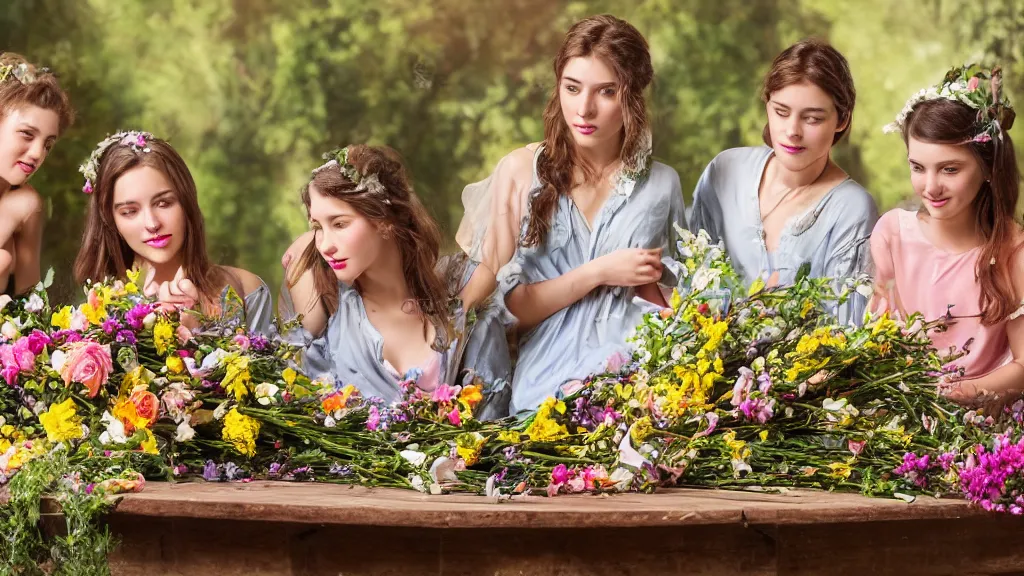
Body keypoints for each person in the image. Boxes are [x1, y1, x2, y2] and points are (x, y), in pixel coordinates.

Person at [456, 15, 687, 413]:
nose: (584, 108)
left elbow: (675, 299)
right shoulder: (521, 171)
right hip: (546, 388)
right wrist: (599, 272)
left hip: (641, 384)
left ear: (631, 96)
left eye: (606, 91)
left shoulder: (662, 184)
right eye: (572, 88)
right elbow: (513, 309)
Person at [283, 145, 512, 417]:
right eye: (318, 227)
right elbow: (297, 387)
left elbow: (482, 276)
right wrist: (310, 238)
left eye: (340, 224)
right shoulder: (330, 311)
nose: (326, 246)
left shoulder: (454, 290)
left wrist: (457, 315)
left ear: (384, 221)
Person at [689, 39, 877, 323]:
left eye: (812, 118)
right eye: (781, 111)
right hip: (699, 361)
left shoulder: (852, 208)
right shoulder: (725, 171)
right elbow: (690, 284)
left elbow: (846, 330)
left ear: (842, 119)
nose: (792, 131)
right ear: (767, 104)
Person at [870, 64, 1023, 405]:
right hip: (902, 414)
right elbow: (875, 339)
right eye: (918, 168)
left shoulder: (1013, 250)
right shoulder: (893, 234)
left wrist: (960, 393)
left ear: (987, 168)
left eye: (950, 169)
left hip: (984, 427)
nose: (931, 186)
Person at [74, 131, 273, 334]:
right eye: (130, 211)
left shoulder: (247, 288)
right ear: (110, 219)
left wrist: (199, 328)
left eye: (164, 203)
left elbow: (275, 364)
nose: (152, 224)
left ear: (186, 202)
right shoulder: (102, 312)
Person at [0, 53, 74, 296]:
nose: (37, 154)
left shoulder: (26, 204)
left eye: (48, 144)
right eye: (27, 134)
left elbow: (31, 305)